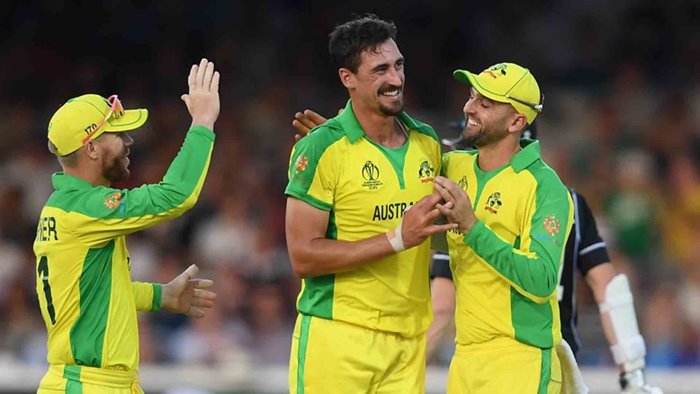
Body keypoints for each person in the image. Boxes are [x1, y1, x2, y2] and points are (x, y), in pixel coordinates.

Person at [290, 63, 572, 393]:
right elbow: (417, 215)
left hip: (521, 360)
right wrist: (345, 149)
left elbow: (542, 280)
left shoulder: (545, 188)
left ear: (517, 122)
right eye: (472, 96)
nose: (469, 108)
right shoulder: (453, 167)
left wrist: (473, 227)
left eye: (486, 103)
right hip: (465, 357)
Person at [284, 15, 455, 394]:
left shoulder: (426, 142)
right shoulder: (321, 149)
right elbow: (302, 256)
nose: (395, 80)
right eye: (380, 70)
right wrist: (397, 238)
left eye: (398, 65)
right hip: (339, 338)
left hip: (408, 345)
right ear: (348, 78)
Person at [428, 125, 663, 393]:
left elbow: (442, 306)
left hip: (504, 359)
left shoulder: (463, 206)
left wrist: (412, 372)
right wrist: (632, 374)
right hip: (558, 363)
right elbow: (609, 291)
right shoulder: (567, 199)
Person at [33, 58, 220, 393]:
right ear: (90, 148)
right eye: (117, 134)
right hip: (89, 385)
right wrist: (203, 122)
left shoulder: (67, 207)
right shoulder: (83, 208)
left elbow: (96, 297)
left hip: (94, 383)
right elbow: (176, 196)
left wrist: (161, 296)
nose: (129, 140)